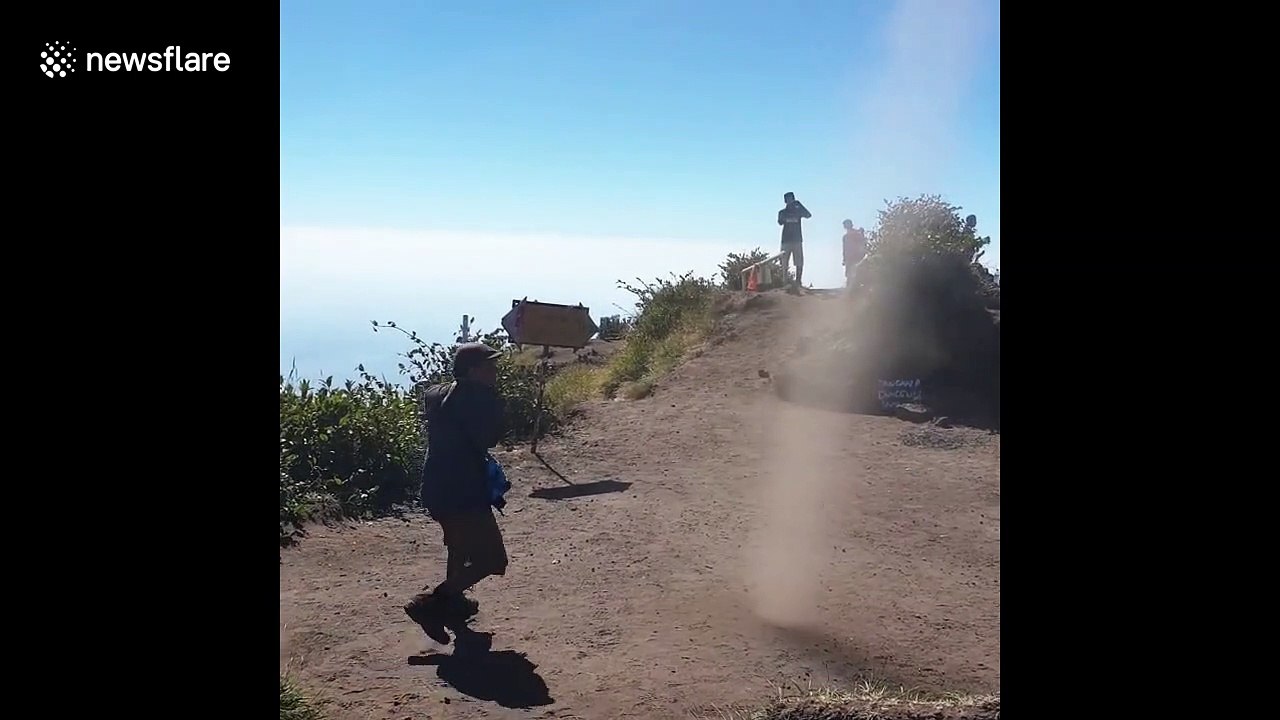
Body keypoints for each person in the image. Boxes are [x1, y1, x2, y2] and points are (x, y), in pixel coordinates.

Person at [403, 342, 508, 645]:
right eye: (489, 367)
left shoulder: (436, 394)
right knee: (493, 560)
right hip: (464, 493)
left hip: (436, 489)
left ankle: (454, 606)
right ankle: (430, 604)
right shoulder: (476, 400)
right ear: (473, 371)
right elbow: (489, 438)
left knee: (458, 549)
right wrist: (493, 404)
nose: (495, 372)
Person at [777, 192, 811, 291]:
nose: (790, 201)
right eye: (788, 199)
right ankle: (785, 282)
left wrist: (799, 205)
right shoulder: (782, 212)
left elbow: (808, 215)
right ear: (785, 201)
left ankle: (798, 281)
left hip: (797, 240)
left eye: (791, 199)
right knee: (784, 262)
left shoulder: (798, 210)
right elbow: (780, 222)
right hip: (786, 240)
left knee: (799, 261)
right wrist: (789, 217)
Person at [841, 219, 867, 289]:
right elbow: (845, 249)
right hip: (852, 257)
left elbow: (862, 243)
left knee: (853, 273)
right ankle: (850, 290)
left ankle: (851, 290)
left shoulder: (853, 235)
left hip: (855, 257)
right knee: (850, 274)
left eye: (845, 225)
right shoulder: (847, 236)